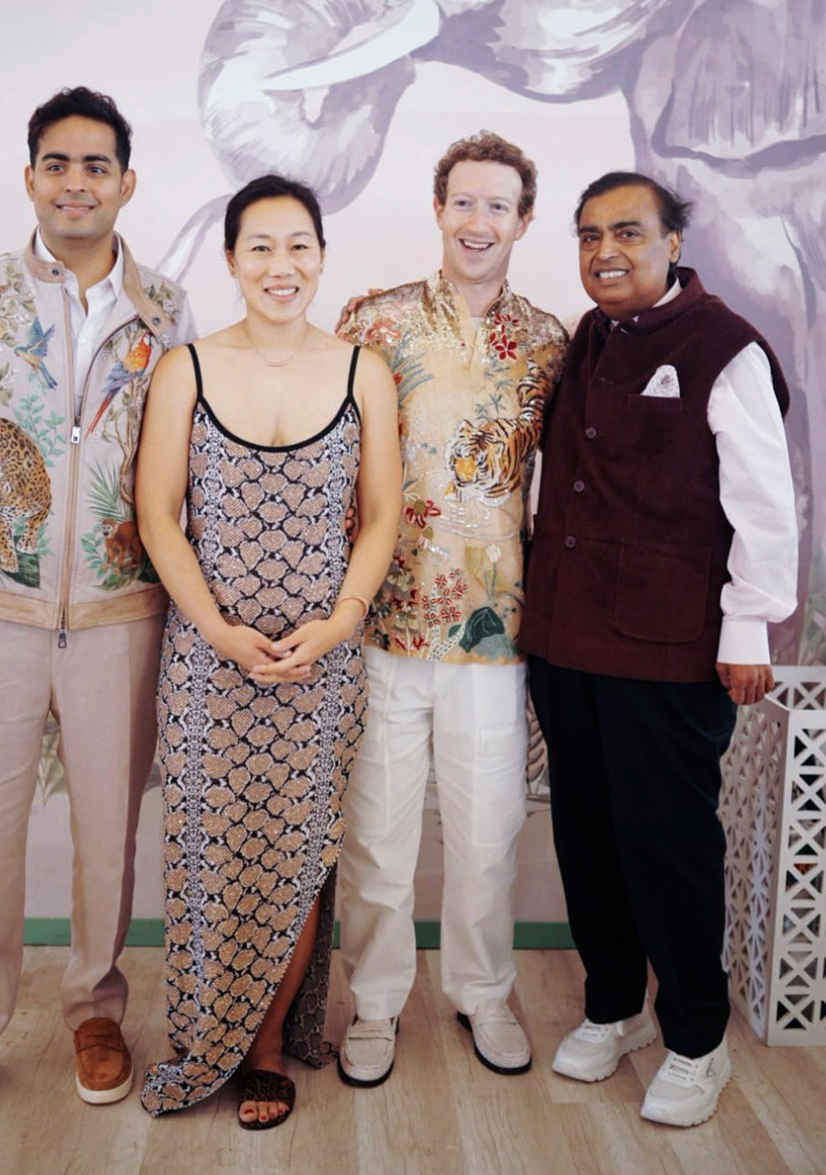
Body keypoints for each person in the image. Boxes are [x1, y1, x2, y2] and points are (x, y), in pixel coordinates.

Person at [0, 87, 194, 1135]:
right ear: (31, 178)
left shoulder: (169, 307)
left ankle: (97, 1006)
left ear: (126, 182)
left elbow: (187, 464)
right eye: (56, 163)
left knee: (110, 830)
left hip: (121, 612)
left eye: (95, 164)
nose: (76, 181)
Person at [519, 172, 798, 1127]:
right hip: (567, 636)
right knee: (586, 831)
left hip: (671, 646)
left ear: (674, 241)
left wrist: (750, 624)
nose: (606, 251)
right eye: (590, 234)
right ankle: (611, 1006)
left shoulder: (724, 348)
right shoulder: (587, 337)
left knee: (668, 843)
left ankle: (695, 1036)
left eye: (629, 232)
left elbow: (763, 498)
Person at [134, 174, 400, 1129]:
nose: (281, 267)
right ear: (232, 258)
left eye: (299, 247)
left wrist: (337, 623)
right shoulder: (187, 369)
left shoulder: (363, 369)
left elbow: (381, 518)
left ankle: (263, 1048)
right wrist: (218, 631)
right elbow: (160, 518)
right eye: (260, 247)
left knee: (297, 853)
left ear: (322, 256)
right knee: (214, 852)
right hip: (210, 663)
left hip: (321, 662)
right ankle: (208, 1030)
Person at [334, 132, 568, 1087]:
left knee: (487, 832)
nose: (479, 222)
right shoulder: (373, 322)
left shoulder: (554, 341)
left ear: (523, 220)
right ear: (438, 209)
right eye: (462, 203)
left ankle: (483, 992)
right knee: (379, 832)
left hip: (497, 629)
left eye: (497, 206)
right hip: (384, 621)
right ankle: (376, 1003)